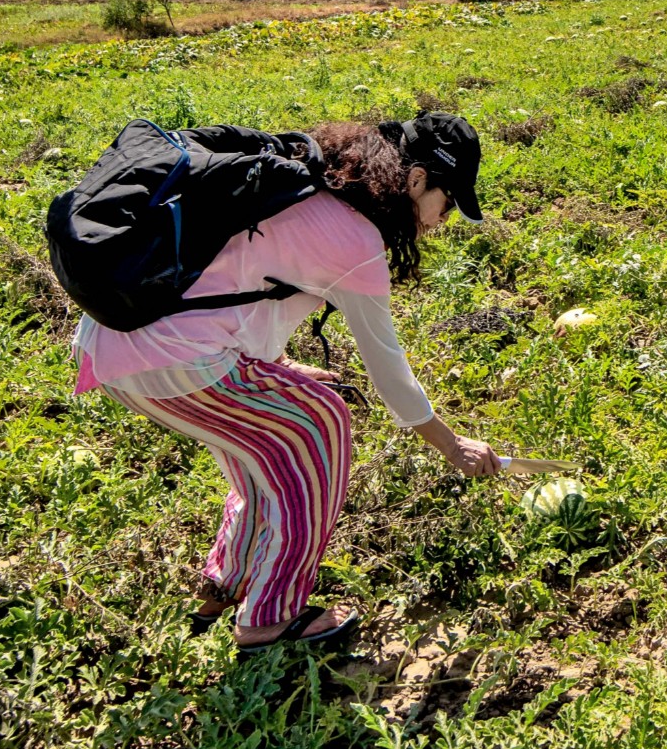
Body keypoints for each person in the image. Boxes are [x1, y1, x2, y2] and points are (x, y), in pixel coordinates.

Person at [71, 112, 499, 653]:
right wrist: (450, 443)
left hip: (115, 343)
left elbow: (233, 291)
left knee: (268, 448)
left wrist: (283, 369)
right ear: (416, 181)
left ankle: (223, 588)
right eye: (447, 200)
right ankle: (272, 617)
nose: (443, 219)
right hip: (169, 361)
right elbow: (388, 369)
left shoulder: (307, 188)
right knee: (320, 422)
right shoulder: (357, 240)